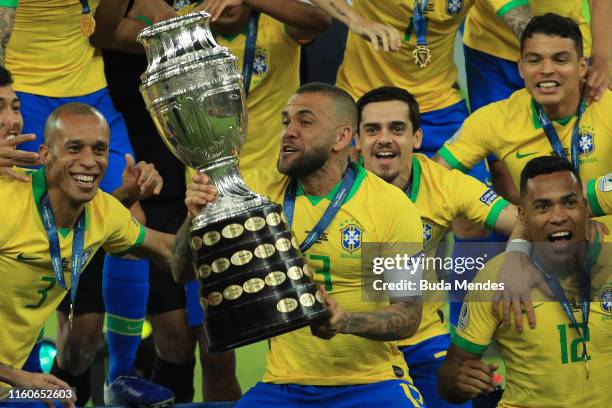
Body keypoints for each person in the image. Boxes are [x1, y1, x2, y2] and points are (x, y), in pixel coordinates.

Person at [178, 83, 426, 407]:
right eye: (285, 122)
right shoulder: (253, 194)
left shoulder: (390, 206)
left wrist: (344, 321)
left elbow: (408, 314)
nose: (288, 133)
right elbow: (181, 271)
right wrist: (194, 220)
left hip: (370, 383)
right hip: (283, 386)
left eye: (305, 122)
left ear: (341, 138)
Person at [0, 2, 177, 404]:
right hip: (23, 92)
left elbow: (109, 27)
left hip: (89, 93)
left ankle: (122, 374)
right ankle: (21, 372)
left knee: (127, 210)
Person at [355, 86, 518, 407]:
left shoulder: (444, 184)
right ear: (356, 141)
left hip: (423, 341)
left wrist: (517, 265)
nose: (384, 138)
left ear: (417, 138)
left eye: (397, 129)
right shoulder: (333, 185)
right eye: (372, 130)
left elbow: (521, 222)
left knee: (455, 394)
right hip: (355, 342)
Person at [438, 155, 612, 407]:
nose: (558, 216)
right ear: (523, 217)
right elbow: (452, 370)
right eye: (543, 207)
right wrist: (458, 381)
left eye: (570, 203)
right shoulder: (496, 278)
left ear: (586, 207)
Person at [436, 13, 612, 214]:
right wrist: (502, 214)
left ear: (582, 67)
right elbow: (432, 177)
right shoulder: (495, 119)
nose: (546, 69)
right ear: (521, 68)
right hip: (539, 243)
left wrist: (576, 206)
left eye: (560, 60)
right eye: (534, 60)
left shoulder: (607, 106)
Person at [463, 0, 611, 112]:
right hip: (494, 51)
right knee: (499, 142)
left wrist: (603, 59)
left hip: (569, 49)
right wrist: (553, 54)